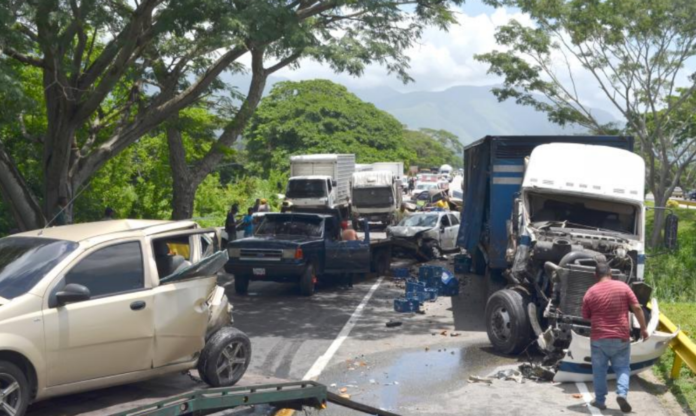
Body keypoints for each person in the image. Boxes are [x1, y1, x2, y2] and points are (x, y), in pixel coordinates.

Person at [582, 260, 649, 413]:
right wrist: (643, 329)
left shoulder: (590, 292)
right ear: (611, 273)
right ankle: (622, 394)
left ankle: (600, 401)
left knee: (599, 371)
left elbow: (586, 316)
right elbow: (637, 308)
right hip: (621, 337)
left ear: (595, 275)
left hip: (599, 339)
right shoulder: (623, 287)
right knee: (623, 368)